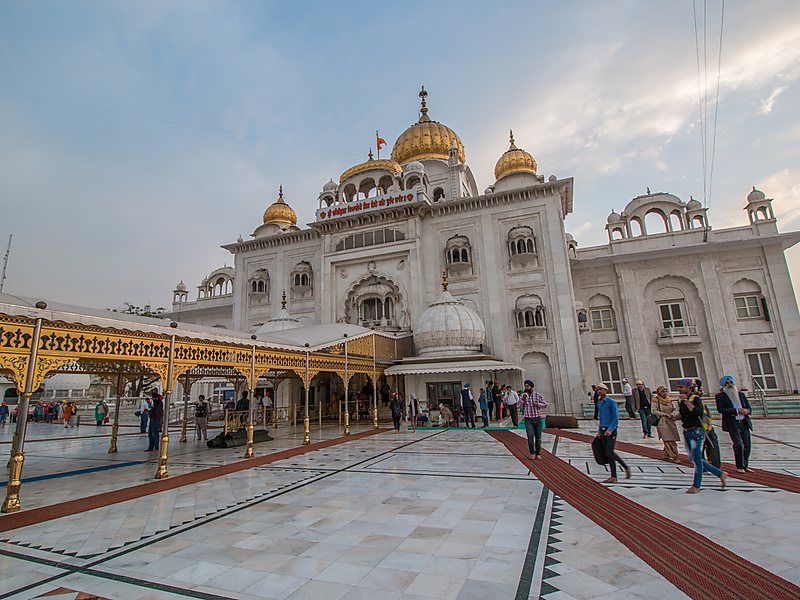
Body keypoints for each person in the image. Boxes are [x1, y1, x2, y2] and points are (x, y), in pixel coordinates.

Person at [677, 378, 726, 494]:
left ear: (688, 388)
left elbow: (697, 412)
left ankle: (696, 485)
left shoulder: (695, 399)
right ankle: (720, 474)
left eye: (681, 387)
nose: (679, 390)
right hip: (687, 430)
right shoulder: (681, 401)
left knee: (697, 459)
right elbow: (684, 415)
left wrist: (686, 402)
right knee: (694, 458)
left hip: (697, 431)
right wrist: (675, 416)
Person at [715, 375, 753, 473]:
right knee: (738, 444)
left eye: (731, 383)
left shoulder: (740, 395)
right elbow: (721, 409)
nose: (729, 385)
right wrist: (736, 410)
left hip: (743, 422)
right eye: (727, 383)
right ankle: (739, 465)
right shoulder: (720, 396)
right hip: (732, 423)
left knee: (747, 445)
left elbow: (748, 407)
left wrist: (746, 411)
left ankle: (745, 464)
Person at [595, 383, 631, 483]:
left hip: (610, 430)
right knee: (608, 454)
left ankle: (625, 466)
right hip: (603, 430)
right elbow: (601, 417)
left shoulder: (611, 402)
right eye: (597, 390)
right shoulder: (599, 402)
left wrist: (610, 429)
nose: (599, 391)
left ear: (605, 390)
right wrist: (599, 431)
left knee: (609, 452)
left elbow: (615, 418)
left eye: (601, 389)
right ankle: (613, 476)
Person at [652, 386, 681, 462]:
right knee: (667, 439)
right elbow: (654, 410)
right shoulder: (656, 400)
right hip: (662, 422)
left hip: (671, 421)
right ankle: (675, 456)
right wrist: (664, 414)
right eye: (663, 391)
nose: (665, 393)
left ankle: (667, 453)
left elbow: (674, 409)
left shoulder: (669, 400)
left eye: (666, 391)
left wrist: (673, 414)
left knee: (672, 438)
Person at [519, 380, 547, 459]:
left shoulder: (538, 395)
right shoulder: (523, 396)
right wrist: (523, 400)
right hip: (528, 419)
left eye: (527, 386)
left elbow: (545, 404)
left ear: (531, 386)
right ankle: (531, 453)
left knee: (538, 437)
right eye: (525, 386)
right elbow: (518, 405)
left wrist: (537, 404)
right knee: (530, 436)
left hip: (537, 419)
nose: (526, 388)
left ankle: (538, 453)